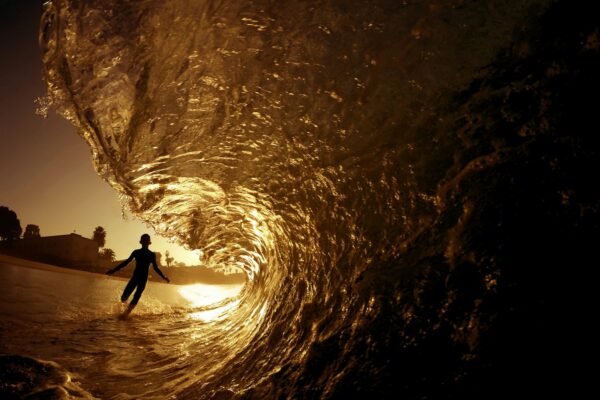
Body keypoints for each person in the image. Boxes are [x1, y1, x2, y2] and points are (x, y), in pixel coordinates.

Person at [105, 234, 170, 315]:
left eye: (146, 240)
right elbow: (126, 262)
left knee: (137, 295)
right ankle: (122, 312)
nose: (145, 242)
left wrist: (164, 277)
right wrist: (113, 270)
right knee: (124, 297)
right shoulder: (136, 252)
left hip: (143, 278)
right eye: (144, 240)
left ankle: (126, 313)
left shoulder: (151, 254)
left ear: (149, 242)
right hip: (135, 277)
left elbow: (156, 268)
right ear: (141, 242)